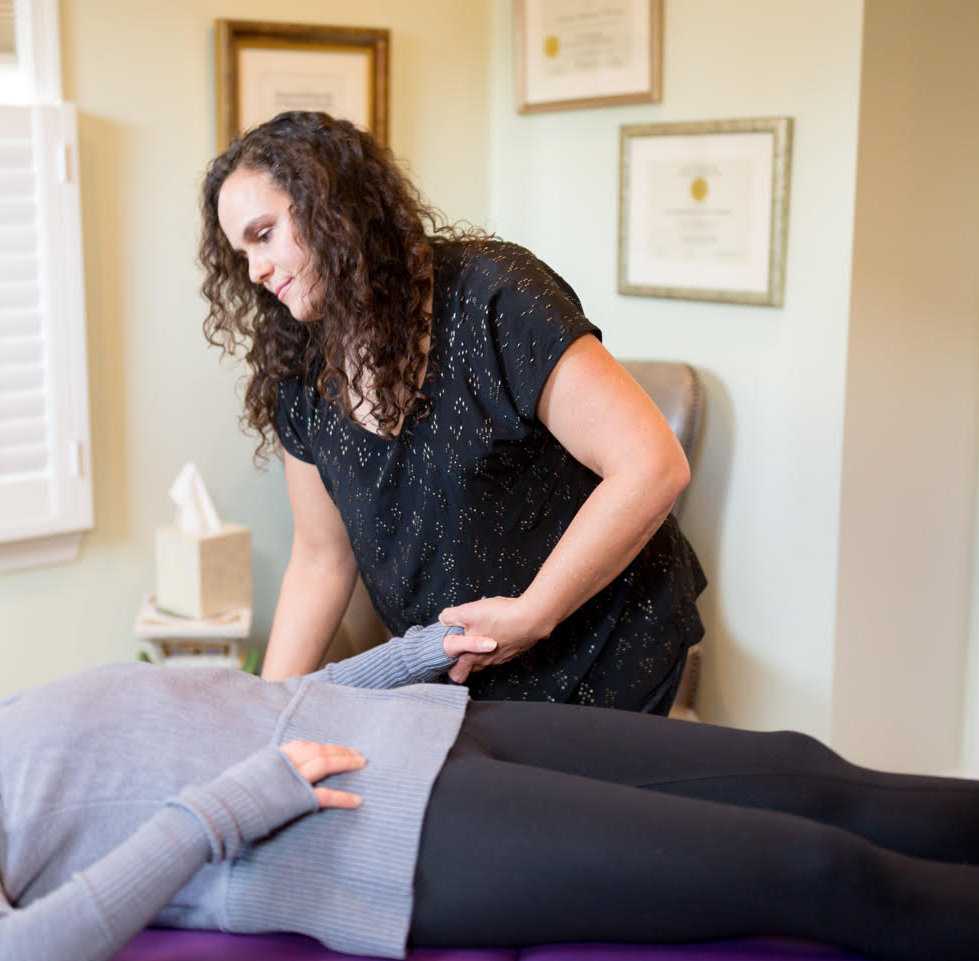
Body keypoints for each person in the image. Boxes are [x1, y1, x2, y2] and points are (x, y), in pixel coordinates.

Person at [0, 627, 979, 961]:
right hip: (382, 832)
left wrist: (402, 653)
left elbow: (262, 704)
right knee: (811, 867)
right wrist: (224, 812)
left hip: (423, 726)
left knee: (810, 770)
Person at [199, 111, 707, 712]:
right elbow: (320, 560)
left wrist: (534, 614)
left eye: (264, 235)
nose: (255, 271)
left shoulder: (492, 295)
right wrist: (266, 713)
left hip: (605, 644)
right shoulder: (300, 372)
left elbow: (652, 466)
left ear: (329, 204)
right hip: (467, 676)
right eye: (242, 253)